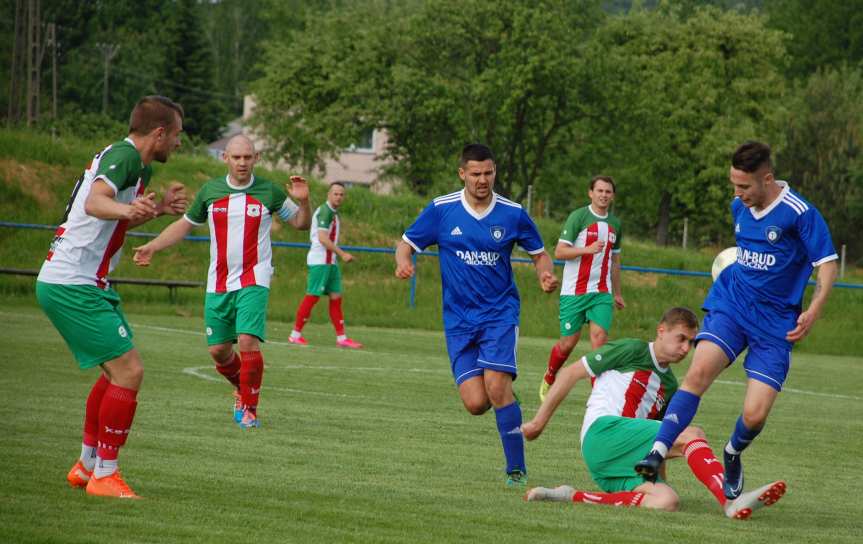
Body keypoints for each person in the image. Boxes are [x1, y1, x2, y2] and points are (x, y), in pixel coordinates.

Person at [635, 141, 838, 501]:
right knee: (697, 373)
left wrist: (816, 307)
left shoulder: (799, 213)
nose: (737, 193)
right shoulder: (738, 207)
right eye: (734, 184)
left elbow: (826, 263)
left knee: (755, 415)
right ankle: (656, 451)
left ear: (767, 178)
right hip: (732, 306)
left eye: (744, 186)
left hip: (776, 324)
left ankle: (732, 453)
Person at [36, 95, 188, 498]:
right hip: (74, 281)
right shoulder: (124, 156)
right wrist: (127, 211)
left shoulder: (137, 165)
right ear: (158, 133)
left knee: (115, 373)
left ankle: (87, 466)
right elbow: (95, 202)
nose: (178, 143)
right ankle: (106, 473)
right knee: (129, 372)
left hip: (84, 281)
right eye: (176, 135)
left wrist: (155, 211)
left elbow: (110, 210)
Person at [394, 143, 559, 486]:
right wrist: (404, 260)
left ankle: (516, 469)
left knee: (497, 387)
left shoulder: (512, 213)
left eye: (489, 173)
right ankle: (507, 400)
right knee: (475, 402)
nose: (483, 180)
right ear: (462, 174)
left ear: (494, 172)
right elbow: (406, 242)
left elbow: (539, 253)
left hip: (499, 314)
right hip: (458, 320)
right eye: (476, 174)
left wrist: (545, 273)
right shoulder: (442, 210)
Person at [522, 307, 786, 519]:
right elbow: (569, 373)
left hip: (613, 461)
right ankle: (730, 500)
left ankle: (570, 495)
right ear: (661, 331)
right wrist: (538, 422)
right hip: (602, 433)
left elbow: (661, 441)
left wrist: (659, 479)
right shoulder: (632, 349)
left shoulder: (671, 386)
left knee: (666, 500)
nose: (685, 349)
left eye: (692, 343)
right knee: (692, 434)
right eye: (680, 339)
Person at [133, 135, 311, 429]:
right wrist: (153, 245)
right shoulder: (210, 191)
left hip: (255, 276)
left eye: (247, 157)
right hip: (218, 281)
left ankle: (250, 409)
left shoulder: (270, 191)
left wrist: (304, 202)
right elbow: (184, 225)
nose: (242, 163)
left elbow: (301, 224)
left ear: (256, 159)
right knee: (218, 351)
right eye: (237, 157)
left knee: (246, 340)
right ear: (225, 158)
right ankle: (242, 387)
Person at [539, 175, 625, 402]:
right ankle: (549, 377)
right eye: (600, 191)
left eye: (608, 192)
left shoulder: (615, 224)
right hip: (574, 292)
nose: (604, 195)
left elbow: (615, 261)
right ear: (591, 193)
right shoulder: (578, 217)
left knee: (599, 339)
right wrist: (587, 250)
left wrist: (617, 292)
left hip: (601, 293)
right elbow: (559, 252)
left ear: (612, 196)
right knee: (568, 344)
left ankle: (599, 394)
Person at [289, 182, 362, 348]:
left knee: (336, 297)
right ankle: (295, 335)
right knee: (312, 295)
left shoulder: (333, 213)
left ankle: (342, 338)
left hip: (330, 262)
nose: (338, 197)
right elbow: (322, 237)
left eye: (341, 194)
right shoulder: (325, 211)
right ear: (328, 194)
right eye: (335, 193)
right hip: (320, 261)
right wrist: (342, 254)